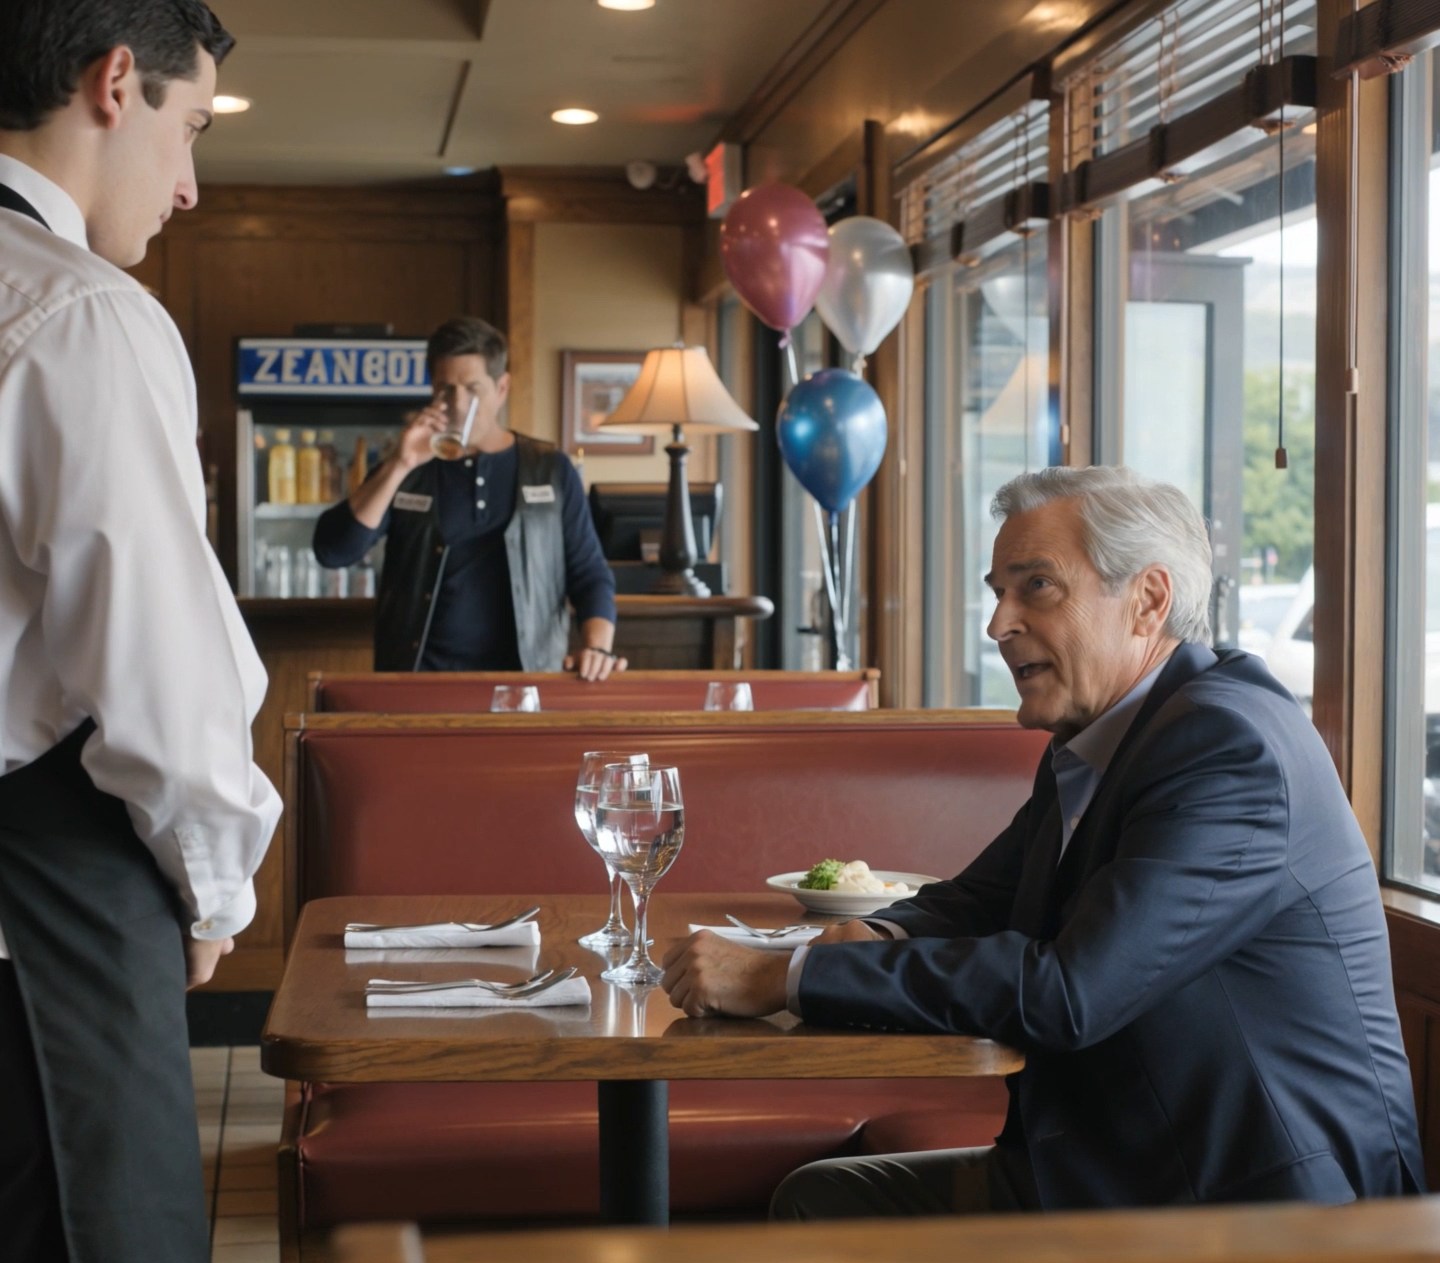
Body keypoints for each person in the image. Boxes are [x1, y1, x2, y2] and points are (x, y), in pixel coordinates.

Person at [660, 466, 1425, 1217]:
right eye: (998, 593)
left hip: (1254, 1210)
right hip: (1116, 1171)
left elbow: (1072, 990)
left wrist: (788, 975)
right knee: (824, 1198)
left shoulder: (1226, 749)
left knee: (830, 1211)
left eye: (1037, 586)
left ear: (1147, 601)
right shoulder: (1106, 737)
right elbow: (978, 902)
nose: (998, 625)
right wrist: (861, 934)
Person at [0, 3, 281, 1263]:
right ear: (116, 84)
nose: (188, 186)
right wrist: (217, 887)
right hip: (35, 941)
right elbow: (165, 691)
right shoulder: (78, 316)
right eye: (191, 128)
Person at [313, 316, 626, 679]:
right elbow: (334, 551)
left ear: (502, 388)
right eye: (445, 389)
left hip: (525, 683)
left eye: (472, 389)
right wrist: (400, 464)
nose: (458, 404)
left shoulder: (550, 469)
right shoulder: (409, 468)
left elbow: (590, 574)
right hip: (418, 684)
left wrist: (597, 647)